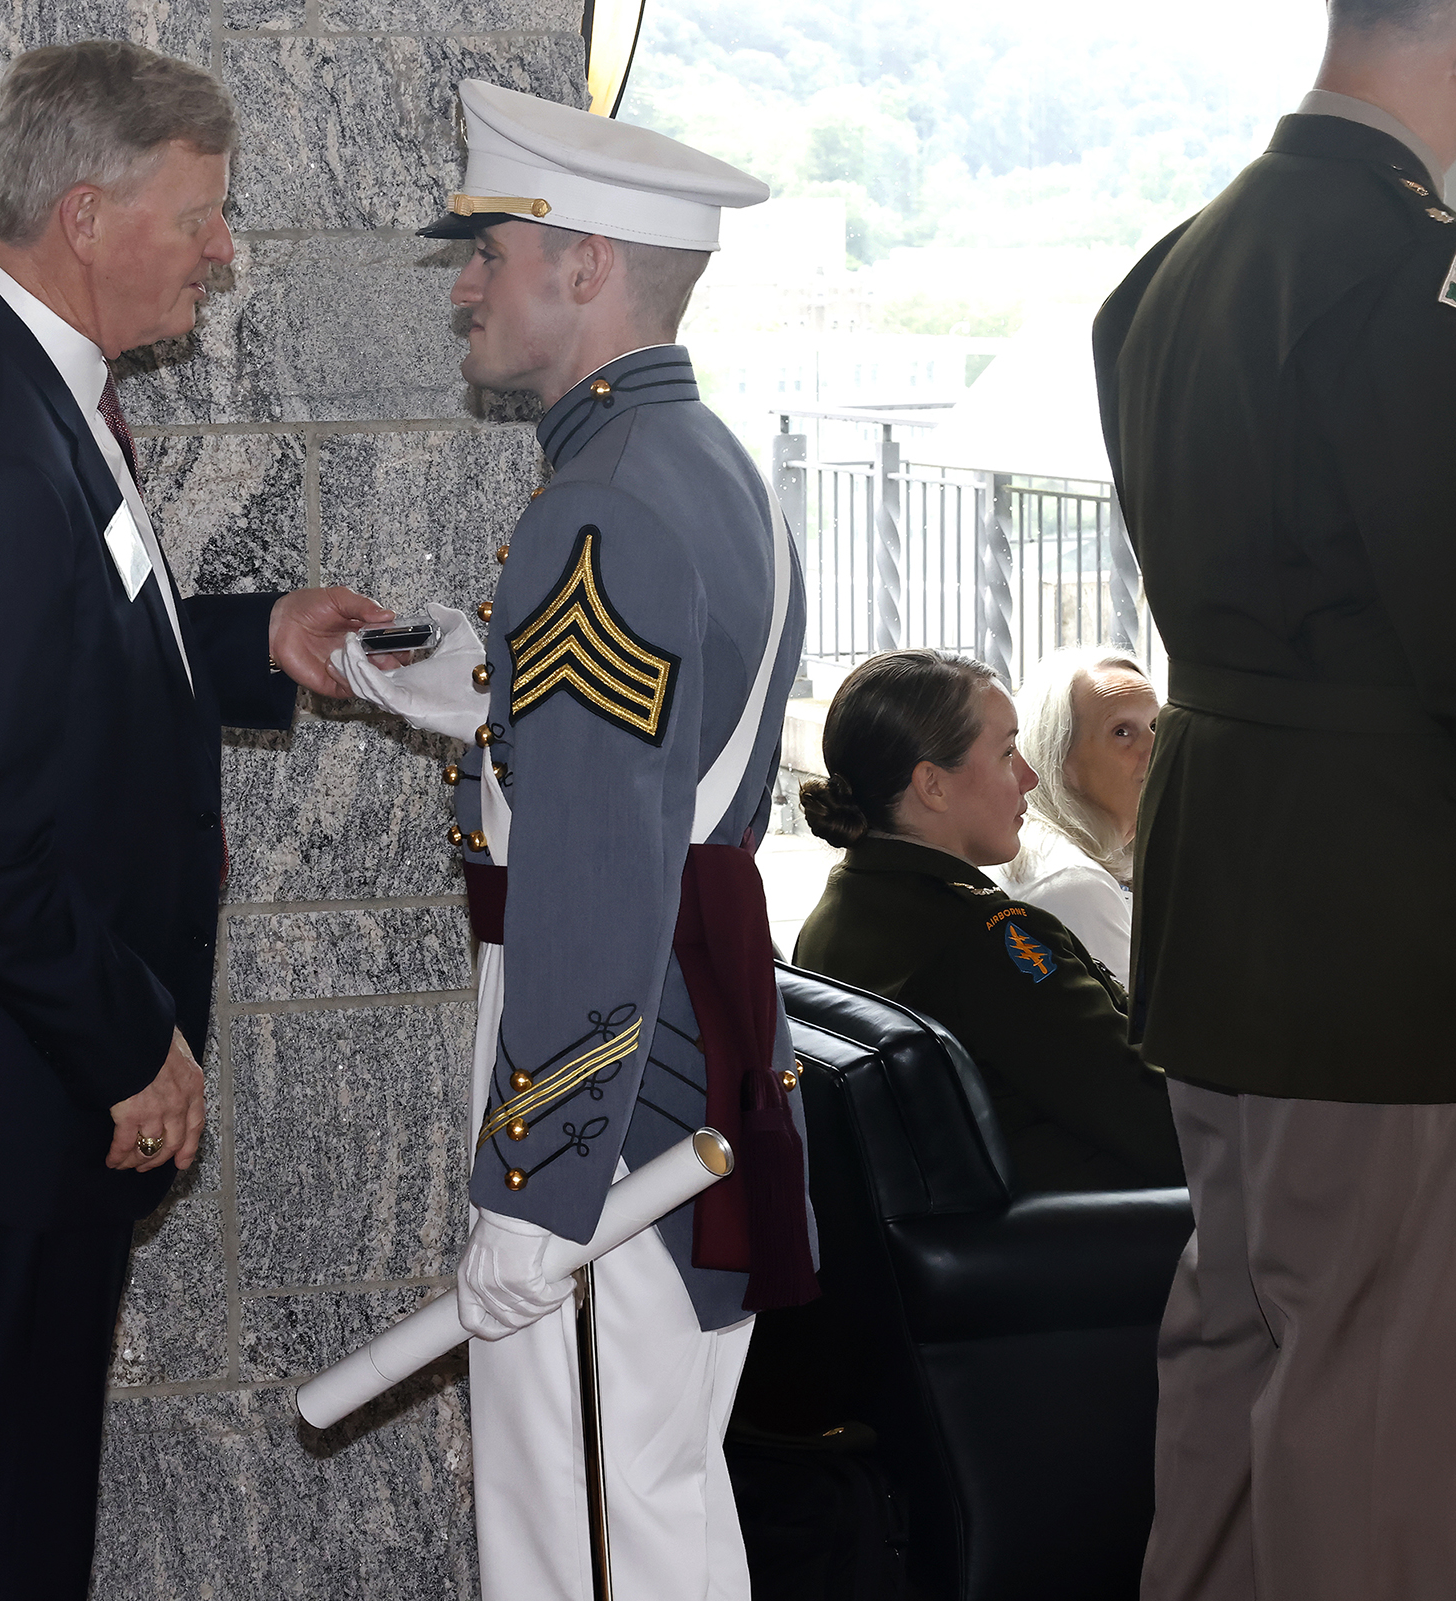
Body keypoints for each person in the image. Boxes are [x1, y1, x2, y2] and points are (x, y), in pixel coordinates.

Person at [0, 41, 391, 1598]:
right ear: (89, 213)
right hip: (5, 1073)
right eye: (205, 214)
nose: (224, 249)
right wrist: (131, 1045)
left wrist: (249, 640)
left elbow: (66, 655)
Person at [340, 78, 811, 1600]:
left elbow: (599, 873)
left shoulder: (601, 509)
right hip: (680, 1035)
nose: (466, 282)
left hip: (612, 1077)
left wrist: (538, 1188)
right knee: (651, 1505)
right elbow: (640, 745)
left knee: (595, 1542)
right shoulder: (701, 463)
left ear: (587, 265)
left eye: (493, 248)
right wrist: (460, 680)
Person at [1093, 0, 1456, 1589]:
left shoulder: (1175, 267)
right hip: (1385, 913)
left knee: (1239, 1344)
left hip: (1220, 876)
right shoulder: (1424, 282)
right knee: (1380, 1387)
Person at [793, 650, 1181, 1193]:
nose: (1029, 777)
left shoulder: (841, 909)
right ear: (933, 785)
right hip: (1084, 1243)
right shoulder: (988, 941)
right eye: (1007, 754)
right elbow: (1166, 1125)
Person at [992, 647, 1159, 980]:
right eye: (1122, 732)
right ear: (1060, 758)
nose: (1155, 748)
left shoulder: (1050, 850)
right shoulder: (1073, 884)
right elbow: (1140, 1029)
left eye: (1157, 725)